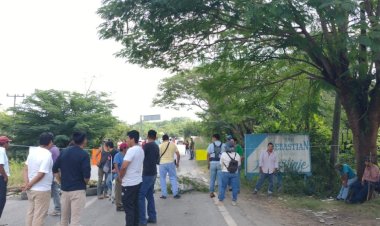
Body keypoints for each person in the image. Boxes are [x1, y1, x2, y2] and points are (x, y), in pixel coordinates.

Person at [53, 132, 91, 226]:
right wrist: (84, 183)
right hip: (78, 189)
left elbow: (54, 169)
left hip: (65, 189)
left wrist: (60, 181)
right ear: (84, 141)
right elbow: (86, 176)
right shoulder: (84, 154)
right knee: (75, 219)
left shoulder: (64, 152)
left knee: (64, 218)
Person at [23, 132, 54, 226]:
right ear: (49, 142)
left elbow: (25, 169)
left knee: (31, 213)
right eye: (52, 142)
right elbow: (41, 174)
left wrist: (27, 183)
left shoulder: (33, 152)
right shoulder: (47, 154)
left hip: (31, 190)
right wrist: (29, 184)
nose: (52, 144)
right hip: (42, 190)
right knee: (39, 215)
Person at [119, 130, 145, 226]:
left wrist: (120, 177)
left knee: (129, 208)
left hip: (129, 184)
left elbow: (124, 166)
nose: (126, 141)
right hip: (138, 182)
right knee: (135, 206)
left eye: (127, 138)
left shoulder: (131, 150)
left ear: (132, 139)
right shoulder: (141, 149)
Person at [139, 130, 160, 226]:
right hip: (154, 173)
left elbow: (140, 159)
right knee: (149, 195)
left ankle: (142, 221)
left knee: (140, 195)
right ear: (155, 137)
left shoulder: (146, 146)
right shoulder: (156, 146)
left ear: (147, 136)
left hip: (147, 173)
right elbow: (157, 160)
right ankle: (152, 217)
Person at [218, 141, 241, 206]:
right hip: (235, 173)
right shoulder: (237, 155)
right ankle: (234, 201)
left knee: (223, 187)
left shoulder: (223, 154)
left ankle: (221, 201)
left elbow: (221, 164)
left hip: (225, 172)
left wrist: (224, 169)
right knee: (234, 187)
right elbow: (239, 165)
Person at [158, 134, 181, 199]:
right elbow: (178, 154)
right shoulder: (173, 144)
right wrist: (177, 163)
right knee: (173, 178)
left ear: (162, 139)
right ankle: (175, 194)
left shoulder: (160, 146)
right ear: (168, 138)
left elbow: (158, 155)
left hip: (162, 163)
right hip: (171, 162)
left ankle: (164, 195)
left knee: (162, 179)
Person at [207, 134, 225, 198]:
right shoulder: (223, 145)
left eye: (212, 138)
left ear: (214, 138)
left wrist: (208, 164)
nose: (212, 139)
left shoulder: (211, 145)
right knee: (220, 179)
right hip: (220, 163)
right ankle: (220, 194)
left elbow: (208, 155)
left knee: (212, 179)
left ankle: (211, 193)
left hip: (212, 163)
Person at [114, 142, 128, 211]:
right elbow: (116, 165)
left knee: (125, 191)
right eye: (126, 148)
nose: (127, 149)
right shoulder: (118, 155)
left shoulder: (127, 155)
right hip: (119, 175)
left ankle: (124, 203)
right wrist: (119, 175)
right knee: (118, 191)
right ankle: (118, 205)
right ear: (123, 149)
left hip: (126, 176)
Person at [0, 136, 11, 223]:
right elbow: (0, 166)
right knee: (1, 200)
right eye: (8, 142)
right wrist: (5, 176)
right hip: (1, 178)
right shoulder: (1, 151)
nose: (9, 144)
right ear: (4, 143)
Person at [48, 145, 61, 216]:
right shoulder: (56, 149)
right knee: (55, 191)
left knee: (54, 191)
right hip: (55, 173)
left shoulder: (52, 150)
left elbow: (55, 164)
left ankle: (58, 209)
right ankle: (58, 208)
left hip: (52, 173)